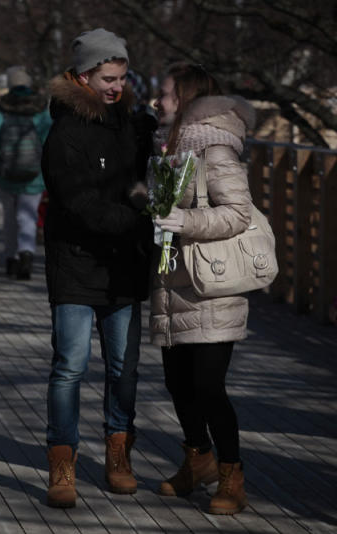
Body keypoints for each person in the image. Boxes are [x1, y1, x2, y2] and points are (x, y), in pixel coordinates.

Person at [41, 28, 153, 507]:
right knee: (69, 366)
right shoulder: (64, 132)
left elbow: (140, 177)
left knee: (123, 370)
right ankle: (62, 461)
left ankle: (118, 450)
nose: (116, 85)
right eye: (108, 77)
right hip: (76, 262)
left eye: (122, 76)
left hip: (123, 264)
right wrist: (135, 218)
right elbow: (77, 202)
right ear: (83, 76)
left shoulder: (130, 121)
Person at [151, 63, 255, 515]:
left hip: (212, 285)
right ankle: (199, 459)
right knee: (177, 382)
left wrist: (185, 221)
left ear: (188, 101)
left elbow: (238, 213)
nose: (158, 101)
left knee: (208, 385)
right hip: (172, 281)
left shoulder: (216, 151)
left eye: (166, 95)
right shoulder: (170, 150)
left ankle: (232, 475)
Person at [0, 65, 51, 280]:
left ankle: (11, 259)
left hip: (6, 175)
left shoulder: (1, 111)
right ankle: (26, 254)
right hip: (34, 176)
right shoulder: (40, 111)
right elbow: (48, 145)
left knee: (9, 219)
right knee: (28, 216)